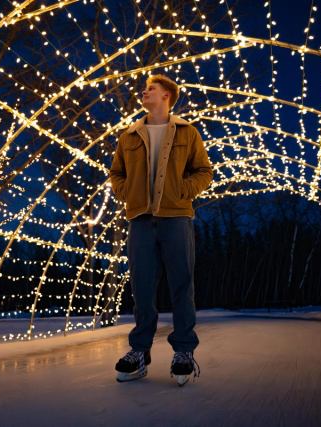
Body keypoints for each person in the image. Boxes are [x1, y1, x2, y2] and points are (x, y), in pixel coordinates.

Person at [109, 74, 213, 386]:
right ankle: (139, 352)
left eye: (151, 88)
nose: (144, 92)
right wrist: (127, 193)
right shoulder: (129, 135)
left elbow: (204, 171)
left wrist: (184, 190)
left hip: (176, 217)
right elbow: (116, 172)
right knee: (142, 288)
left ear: (167, 95)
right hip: (140, 220)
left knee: (181, 285)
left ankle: (183, 351)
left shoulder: (187, 131)